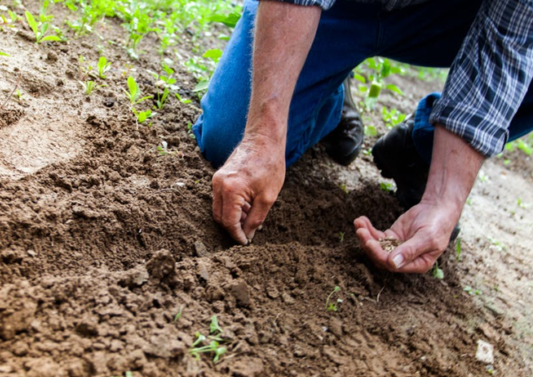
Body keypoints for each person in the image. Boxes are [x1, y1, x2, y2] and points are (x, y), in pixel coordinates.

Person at [192, 0, 533, 273]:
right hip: (340, 7)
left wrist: (443, 199)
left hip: (449, 15)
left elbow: (509, 44)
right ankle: (328, 96)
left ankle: (422, 153)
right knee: (231, 138)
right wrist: (262, 138)